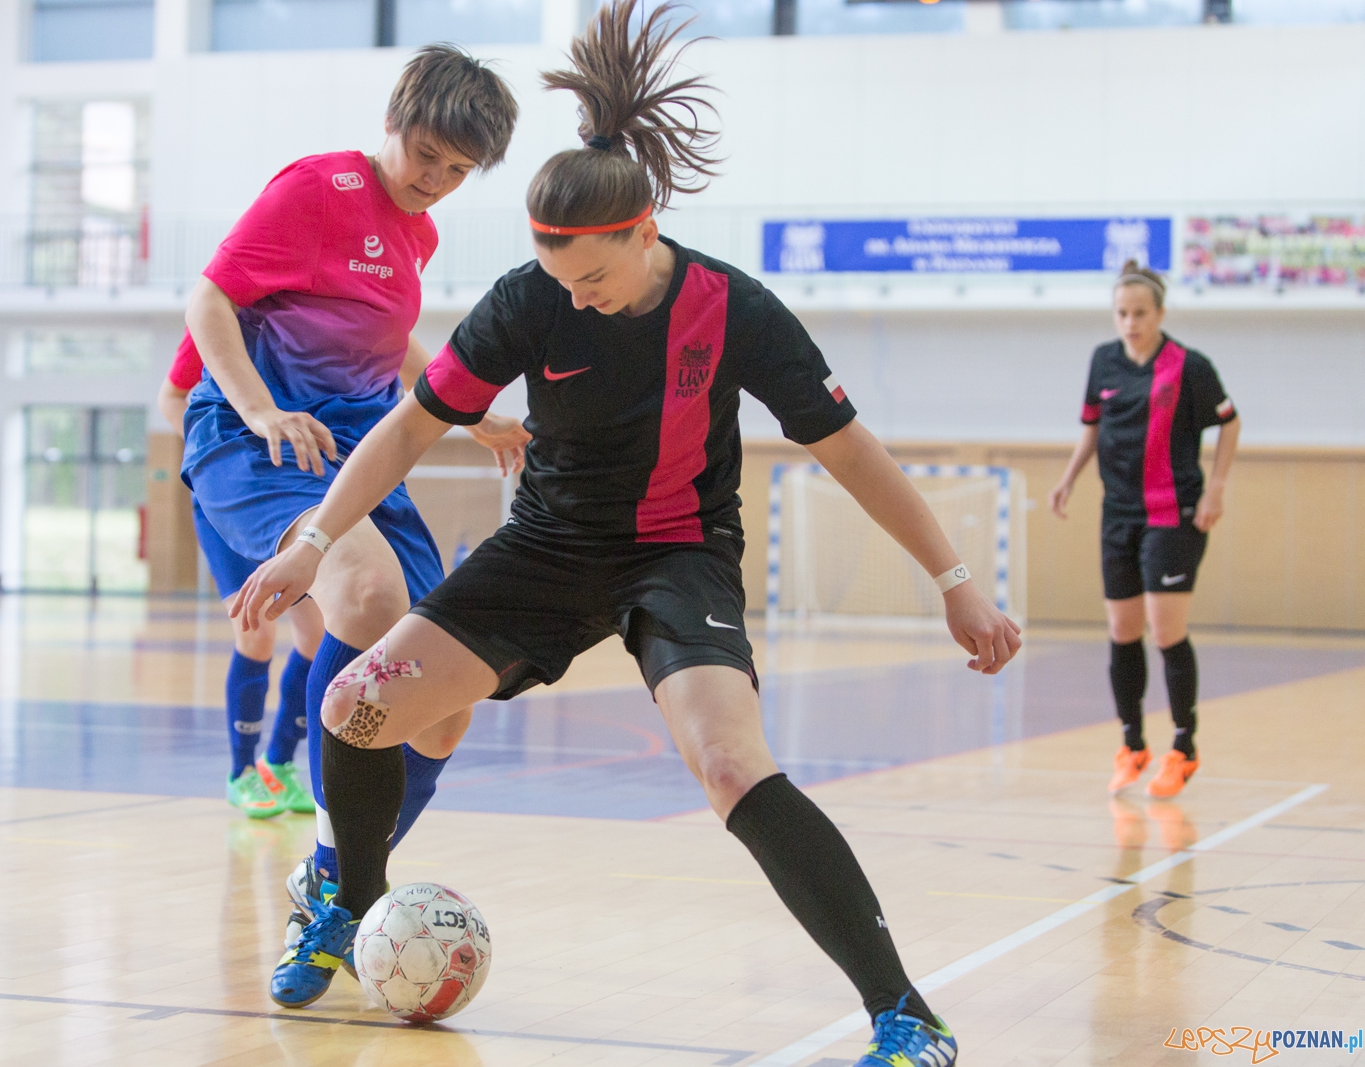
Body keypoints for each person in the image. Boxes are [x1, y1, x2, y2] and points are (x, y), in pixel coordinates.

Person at [230, 5, 1021, 1063]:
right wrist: (314, 543)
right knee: (355, 701)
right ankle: (347, 901)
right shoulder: (530, 299)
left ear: (643, 233)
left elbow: (850, 450)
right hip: (548, 550)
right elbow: (412, 423)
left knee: (731, 761)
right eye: (558, 281)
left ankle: (904, 1011)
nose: (576, 301)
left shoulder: (735, 309)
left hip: (677, 554)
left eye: (591, 279)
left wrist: (953, 576)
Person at [173, 45, 527, 1001]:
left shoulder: (418, 235)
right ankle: (337, 885)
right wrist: (255, 410)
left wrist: (464, 407)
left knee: (447, 695)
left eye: (458, 172)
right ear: (395, 120)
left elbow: (384, 341)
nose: (436, 181)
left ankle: (330, 879)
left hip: (356, 445)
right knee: (365, 595)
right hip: (267, 442)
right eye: (427, 155)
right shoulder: (315, 189)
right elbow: (209, 296)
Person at [1049, 260, 1240, 799]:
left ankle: (1184, 747)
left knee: (1164, 630)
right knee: (1122, 631)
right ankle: (1133, 745)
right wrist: (1067, 481)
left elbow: (1230, 422)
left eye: (1139, 313)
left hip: (1174, 513)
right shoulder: (1103, 361)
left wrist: (1216, 488)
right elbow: (1090, 429)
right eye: (1121, 313)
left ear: (1159, 314)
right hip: (1119, 514)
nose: (1130, 322)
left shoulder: (1189, 366)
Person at [158, 357, 323, 818]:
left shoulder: (303, 328)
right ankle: (241, 772)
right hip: (228, 491)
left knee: (317, 633)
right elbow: (170, 396)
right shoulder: (220, 312)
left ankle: (279, 764)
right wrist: (215, 452)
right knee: (256, 630)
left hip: (291, 491)